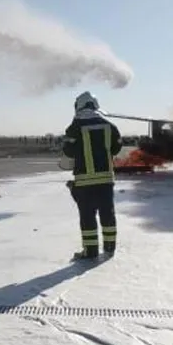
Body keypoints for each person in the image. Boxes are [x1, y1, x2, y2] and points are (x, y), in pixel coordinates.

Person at [62, 91, 122, 260]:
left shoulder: (74, 127)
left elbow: (67, 150)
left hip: (84, 181)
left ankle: (90, 251)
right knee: (107, 213)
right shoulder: (110, 126)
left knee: (87, 216)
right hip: (106, 180)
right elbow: (116, 148)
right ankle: (110, 248)